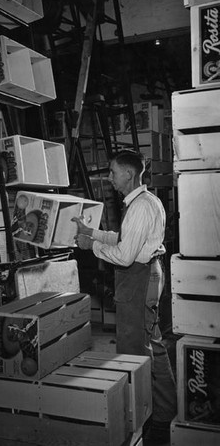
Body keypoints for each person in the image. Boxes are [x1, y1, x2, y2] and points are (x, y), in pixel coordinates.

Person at [72, 149, 177, 445]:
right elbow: (125, 237)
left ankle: (147, 419)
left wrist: (89, 247)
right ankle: (165, 412)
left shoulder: (140, 207)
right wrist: (92, 232)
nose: (110, 178)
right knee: (153, 344)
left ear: (129, 174)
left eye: (113, 172)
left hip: (139, 278)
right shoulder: (147, 201)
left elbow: (125, 255)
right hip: (148, 274)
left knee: (135, 351)